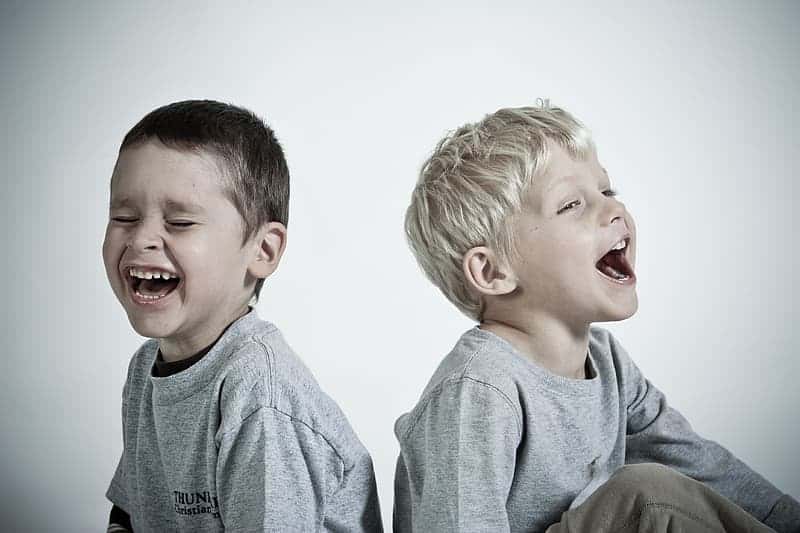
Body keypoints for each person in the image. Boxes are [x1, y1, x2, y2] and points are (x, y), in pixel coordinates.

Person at [394, 102, 800, 532]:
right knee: (643, 500)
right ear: (493, 271)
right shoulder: (477, 391)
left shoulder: (606, 361)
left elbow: (701, 466)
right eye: (571, 205)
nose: (614, 211)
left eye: (607, 192)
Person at [103, 100, 382, 532]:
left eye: (179, 222)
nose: (141, 238)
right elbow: (131, 512)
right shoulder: (145, 369)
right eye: (124, 216)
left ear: (262, 251)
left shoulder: (259, 394)